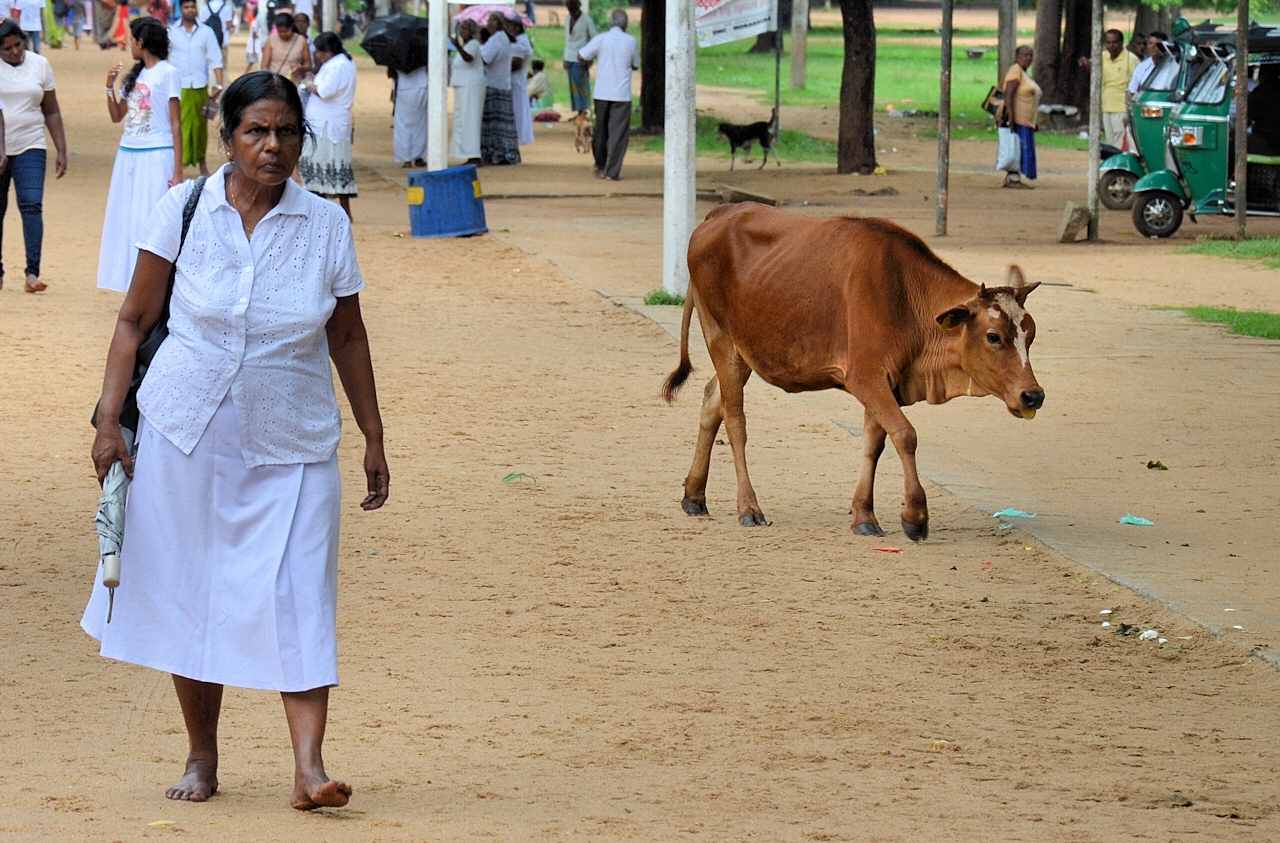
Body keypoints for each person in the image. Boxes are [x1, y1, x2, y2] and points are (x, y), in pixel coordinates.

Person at [85, 70, 388, 811]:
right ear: (228, 138)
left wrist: (374, 434)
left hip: (296, 437)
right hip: (186, 433)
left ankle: (309, 768)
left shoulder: (326, 226)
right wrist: (107, 419)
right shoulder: (183, 209)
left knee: (302, 590)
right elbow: (132, 320)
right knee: (194, 590)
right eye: (257, 131)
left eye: (287, 131)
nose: (273, 146)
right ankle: (202, 754)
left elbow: (346, 335)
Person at [98, 16, 183, 292]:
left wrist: (178, 169)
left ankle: (155, 282)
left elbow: (175, 123)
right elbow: (117, 116)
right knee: (128, 217)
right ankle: (130, 281)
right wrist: (109, 87)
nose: (128, 44)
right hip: (129, 154)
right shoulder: (136, 75)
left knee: (150, 216)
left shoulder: (168, 73)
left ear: (141, 42)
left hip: (157, 154)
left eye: (131, 39)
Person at [0, 18, 67, 293]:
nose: (15, 52)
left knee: (31, 205)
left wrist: (61, 148)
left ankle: (32, 273)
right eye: (7, 49)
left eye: (19, 45)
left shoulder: (40, 65)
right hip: (0, 146)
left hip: (31, 143)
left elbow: (50, 110)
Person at [297, 32, 356, 218]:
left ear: (327, 52)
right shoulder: (343, 63)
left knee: (321, 163)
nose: (316, 56)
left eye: (318, 52)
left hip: (326, 125)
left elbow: (324, 91)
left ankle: (323, 211)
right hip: (329, 122)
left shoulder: (337, 66)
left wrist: (307, 83)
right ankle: (341, 210)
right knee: (336, 165)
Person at [578, 8, 638, 181]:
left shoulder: (601, 39)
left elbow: (581, 55)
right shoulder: (631, 41)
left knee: (601, 132)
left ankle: (600, 165)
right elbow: (635, 65)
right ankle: (612, 172)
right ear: (625, 24)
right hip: (621, 94)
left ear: (611, 23)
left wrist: (593, 59)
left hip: (602, 92)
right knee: (618, 134)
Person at [169, 0, 224, 176]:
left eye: (193, 7)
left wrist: (220, 84)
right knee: (181, 125)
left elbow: (216, 58)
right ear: (181, 9)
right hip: (179, 87)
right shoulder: (172, 32)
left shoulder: (206, 32)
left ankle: (201, 162)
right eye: (186, 7)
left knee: (200, 127)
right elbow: (163, 56)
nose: (190, 10)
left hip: (200, 85)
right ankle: (180, 165)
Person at [479, 12, 519, 165]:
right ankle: (505, 151)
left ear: (500, 24)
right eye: (488, 20)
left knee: (492, 124)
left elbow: (485, 59)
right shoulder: (502, 38)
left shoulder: (496, 40)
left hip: (493, 85)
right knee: (501, 123)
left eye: (493, 21)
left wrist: (476, 47)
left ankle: (493, 152)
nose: (489, 23)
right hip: (502, 84)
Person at [997, 45, 1040, 188]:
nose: (1028, 58)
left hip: (1026, 121)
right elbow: (1009, 92)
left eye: (1030, 55)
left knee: (1020, 148)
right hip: (1017, 118)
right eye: (1024, 55)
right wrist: (1010, 114)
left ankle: (1013, 177)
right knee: (1016, 148)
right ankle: (1013, 178)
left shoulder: (1024, 73)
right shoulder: (1015, 71)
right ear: (1017, 57)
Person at [448, 19, 483, 164]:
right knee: (464, 119)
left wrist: (457, 46)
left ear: (473, 31)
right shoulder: (466, 45)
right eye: (461, 28)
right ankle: (468, 152)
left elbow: (469, 58)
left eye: (466, 28)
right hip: (464, 87)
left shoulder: (473, 44)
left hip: (471, 87)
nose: (462, 31)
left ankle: (474, 154)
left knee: (470, 120)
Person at [1099, 28, 1137, 148]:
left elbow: (1138, 85)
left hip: (1121, 109)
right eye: (1108, 43)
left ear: (1121, 43)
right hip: (1106, 108)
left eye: (1115, 42)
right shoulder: (1103, 57)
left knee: (1120, 144)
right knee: (1110, 144)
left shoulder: (1131, 59)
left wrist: (1129, 113)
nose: (1111, 46)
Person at [561, 0, 595, 116]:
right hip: (569, 56)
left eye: (571, 7)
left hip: (581, 57)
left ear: (577, 7)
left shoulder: (586, 20)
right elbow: (567, 40)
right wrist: (565, 57)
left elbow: (594, 39)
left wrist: (590, 57)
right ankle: (578, 111)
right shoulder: (567, 19)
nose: (570, 10)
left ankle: (583, 111)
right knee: (573, 86)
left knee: (581, 84)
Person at [391, 64, 427, 168]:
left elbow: (391, 74)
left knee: (403, 126)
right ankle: (419, 157)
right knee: (421, 125)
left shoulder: (397, 55)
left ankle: (407, 159)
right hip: (421, 87)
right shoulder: (424, 53)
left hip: (403, 89)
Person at [506, 16, 534, 146]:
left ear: (517, 27)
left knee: (517, 110)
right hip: (517, 80)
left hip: (515, 80)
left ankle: (517, 137)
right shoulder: (519, 40)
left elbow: (516, 64)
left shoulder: (520, 42)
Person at [261, 12, 309, 81]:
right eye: (280, 32)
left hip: (295, 82)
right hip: (276, 82)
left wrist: (300, 68)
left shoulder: (301, 41)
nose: (283, 34)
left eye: (286, 31)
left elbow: (308, 65)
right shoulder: (271, 40)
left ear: (292, 27)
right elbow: (264, 66)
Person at [1249, 64, 1280, 155]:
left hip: (1265, 141)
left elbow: (1246, 119)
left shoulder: (1259, 92)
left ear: (1263, 75)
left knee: (1231, 146)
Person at [1127, 32, 1166, 97]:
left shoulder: (1172, 66)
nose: (1152, 47)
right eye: (1150, 43)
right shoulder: (1142, 67)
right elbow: (1132, 91)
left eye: (1157, 44)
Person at [198, 0, 234, 66]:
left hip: (208, 40)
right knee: (223, 64)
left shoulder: (205, 7)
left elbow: (202, 24)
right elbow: (228, 25)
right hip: (223, 39)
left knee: (211, 63)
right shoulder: (227, 7)